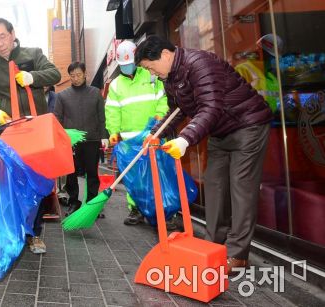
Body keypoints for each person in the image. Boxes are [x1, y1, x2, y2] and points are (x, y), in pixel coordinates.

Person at [135, 35, 272, 274]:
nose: (151, 73)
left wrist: (185, 139)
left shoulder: (200, 64)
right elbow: (177, 111)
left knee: (241, 188)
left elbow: (211, 106)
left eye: (150, 67)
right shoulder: (171, 77)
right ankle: (212, 244)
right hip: (220, 132)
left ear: (165, 55)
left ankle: (237, 255)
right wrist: (156, 133)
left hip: (247, 125)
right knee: (215, 185)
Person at [0, 18, 61, 254]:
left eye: (3, 36)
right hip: (11, 130)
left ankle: (34, 233)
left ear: (12, 33)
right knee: (12, 182)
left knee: (38, 183)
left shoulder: (32, 54)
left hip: (37, 130)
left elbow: (54, 74)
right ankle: (13, 229)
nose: (0, 44)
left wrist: (32, 77)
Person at [105, 40, 168, 226]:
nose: (127, 68)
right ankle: (136, 210)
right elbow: (112, 110)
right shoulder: (116, 85)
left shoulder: (151, 76)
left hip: (153, 135)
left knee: (157, 174)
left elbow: (162, 99)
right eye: (123, 65)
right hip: (130, 140)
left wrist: (160, 117)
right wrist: (113, 132)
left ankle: (163, 210)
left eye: (130, 63)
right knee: (134, 178)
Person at [54, 62, 108, 216]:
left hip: (92, 140)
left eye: (78, 75)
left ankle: (92, 205)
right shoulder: (62, 96)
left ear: (85, 74)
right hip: (72, 142)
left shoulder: (95, 93)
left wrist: (104, 136)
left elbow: (101, 117)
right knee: (71, 174)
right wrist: (61, 139)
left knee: (92, 173)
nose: (76, 78)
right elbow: (57, 119)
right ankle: (73, 203)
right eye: (72, 76)